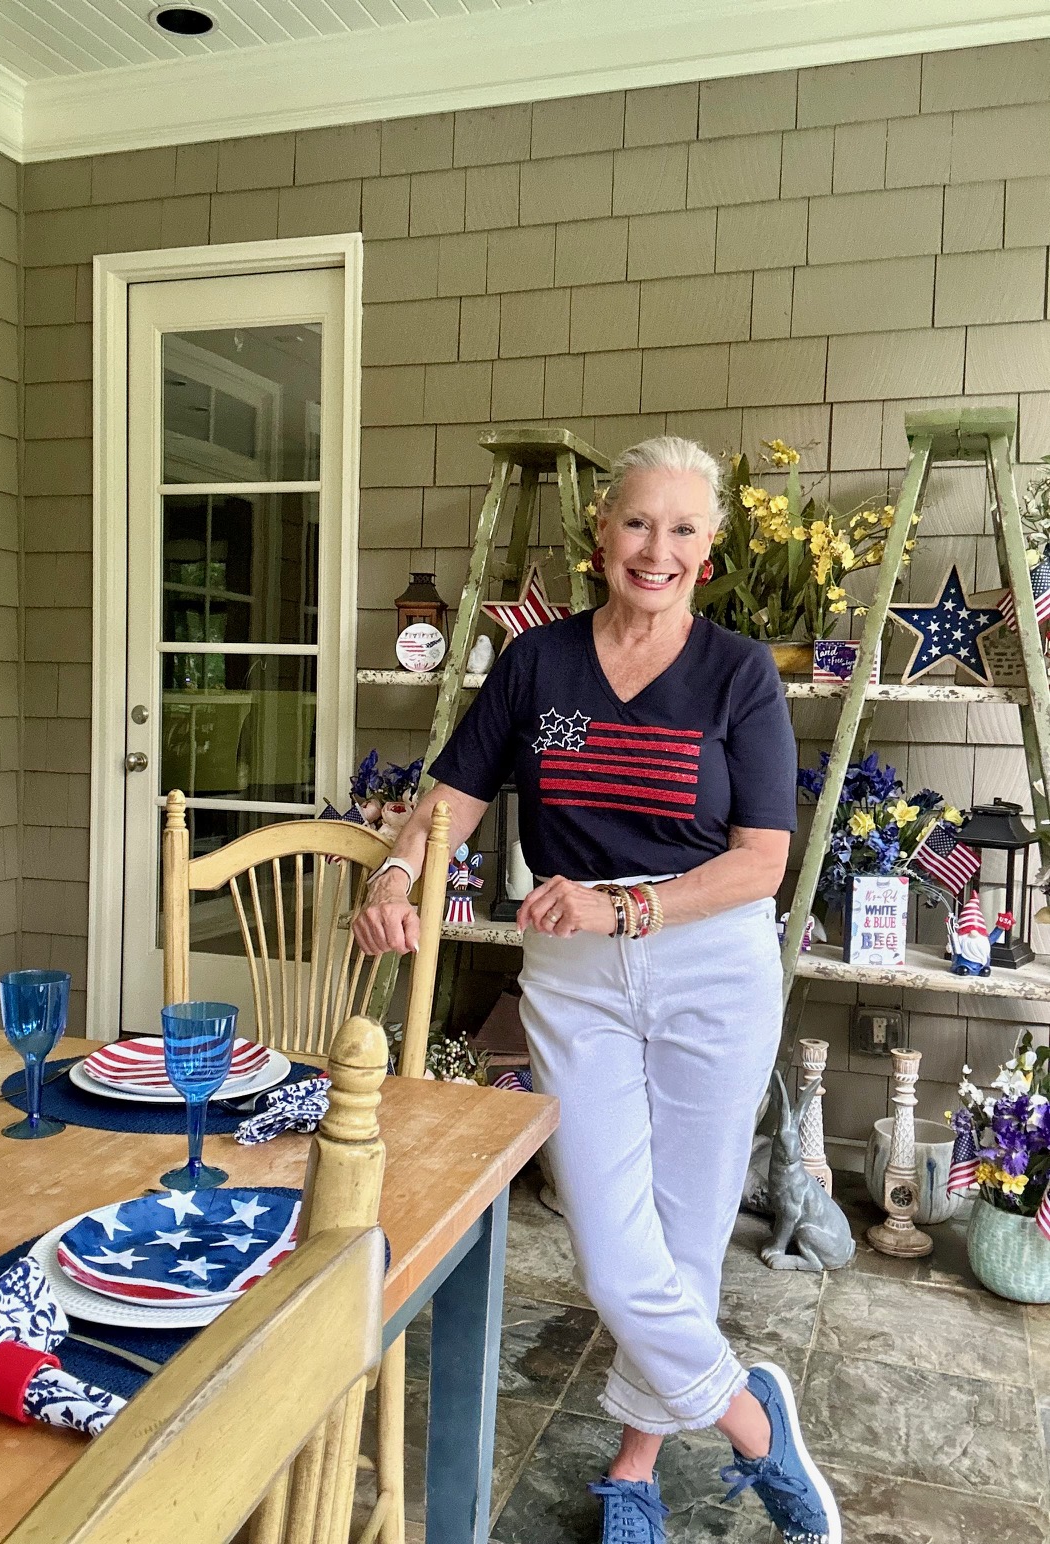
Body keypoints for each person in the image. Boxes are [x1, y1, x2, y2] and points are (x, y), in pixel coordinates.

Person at [353, 434, 840, 1544]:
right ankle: (750, 1419)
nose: (654, 548)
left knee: (687, 1232)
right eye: (636, 522)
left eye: (681, 529)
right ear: (600, 534)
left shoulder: (737, 672)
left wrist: (628, 906)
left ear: (707, 550)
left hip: (710, 962)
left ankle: (633, 1468)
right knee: (614, 1250)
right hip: (575, 975)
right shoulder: (537, 663)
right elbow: (456, 794)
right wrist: (393, 866)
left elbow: (763, 857)